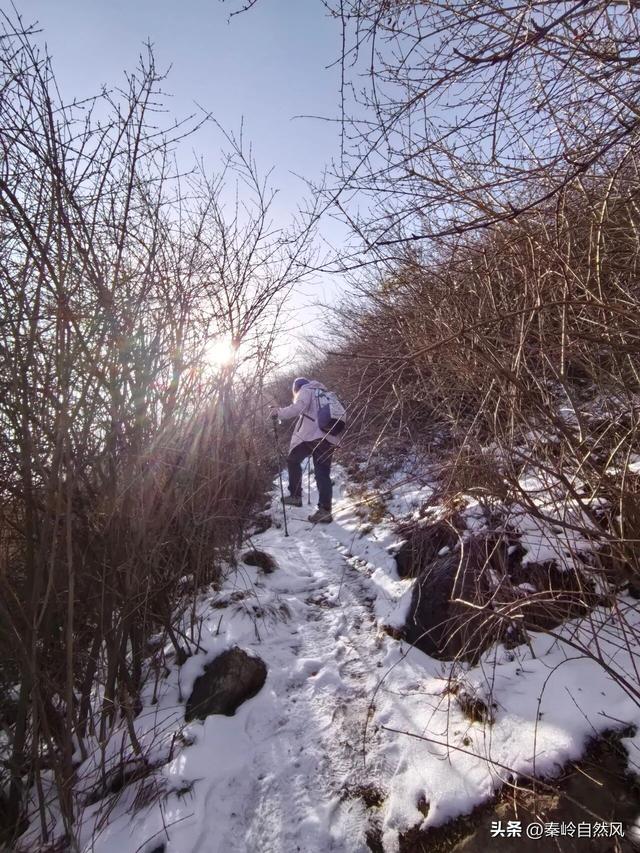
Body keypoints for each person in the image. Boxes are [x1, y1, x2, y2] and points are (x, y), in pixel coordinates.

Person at [270, 377, 340, 524]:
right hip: (329, 438)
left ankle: (295, 495)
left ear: (297, 388)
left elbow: (297, 408)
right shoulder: (327, 395)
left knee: (293, 460)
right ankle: (325, 511)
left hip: (311, 436)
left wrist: (278, 413)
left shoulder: (306, 390)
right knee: (322, 473)